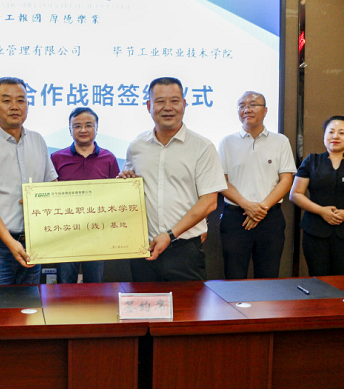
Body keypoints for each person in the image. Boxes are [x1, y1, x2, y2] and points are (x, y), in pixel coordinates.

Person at [119, 77, 227, 282]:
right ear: (149, 106)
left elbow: (209, 202)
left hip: (185, 250)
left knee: (188, 304)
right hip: (144, 249)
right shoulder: (136, 146)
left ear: (184, 105)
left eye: (174, 101)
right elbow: (131, 190)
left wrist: (169, 235)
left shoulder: (202, 147)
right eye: (160, 101)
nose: (167, 107)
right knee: (144, 302)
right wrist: (124, 182)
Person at [0, 77, 57, 285]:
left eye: (21, 100)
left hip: (32, 242)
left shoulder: (38, 140)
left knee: (29, 303)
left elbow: (51, 186)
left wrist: (41, 199)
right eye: (6, 100)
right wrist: (10, 242)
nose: (15, 106)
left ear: (27, 105)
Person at [218, 91, 296, 279]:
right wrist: (247, 205)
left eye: (253, 105)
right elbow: (221, 181)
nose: (247, 109)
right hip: (235, 218)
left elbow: (286, 180)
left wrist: (261, 209)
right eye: (242, 106)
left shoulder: (280, 141)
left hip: (270, 218)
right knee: (234, 278)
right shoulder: (227, 142)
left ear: (265, 110)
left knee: (268, 277)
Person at [289, 115, 344, 276]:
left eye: (341, 133)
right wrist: (321, 211)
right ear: (324, 135)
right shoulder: (311, 161)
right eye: (331, 132)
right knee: (318, 279)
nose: (335, 136)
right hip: (315, 232)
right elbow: (295, 194)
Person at [50, 107, 120, 283]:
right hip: (65, 233)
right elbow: (49, 195)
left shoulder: (109, 158)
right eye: (77, 126)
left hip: (98, 232)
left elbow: (117, 195)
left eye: (88, 125)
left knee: (95, 285)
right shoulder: (56, 158)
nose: (83, 130)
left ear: (97, 128)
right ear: (70, 129)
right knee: (64, 285)